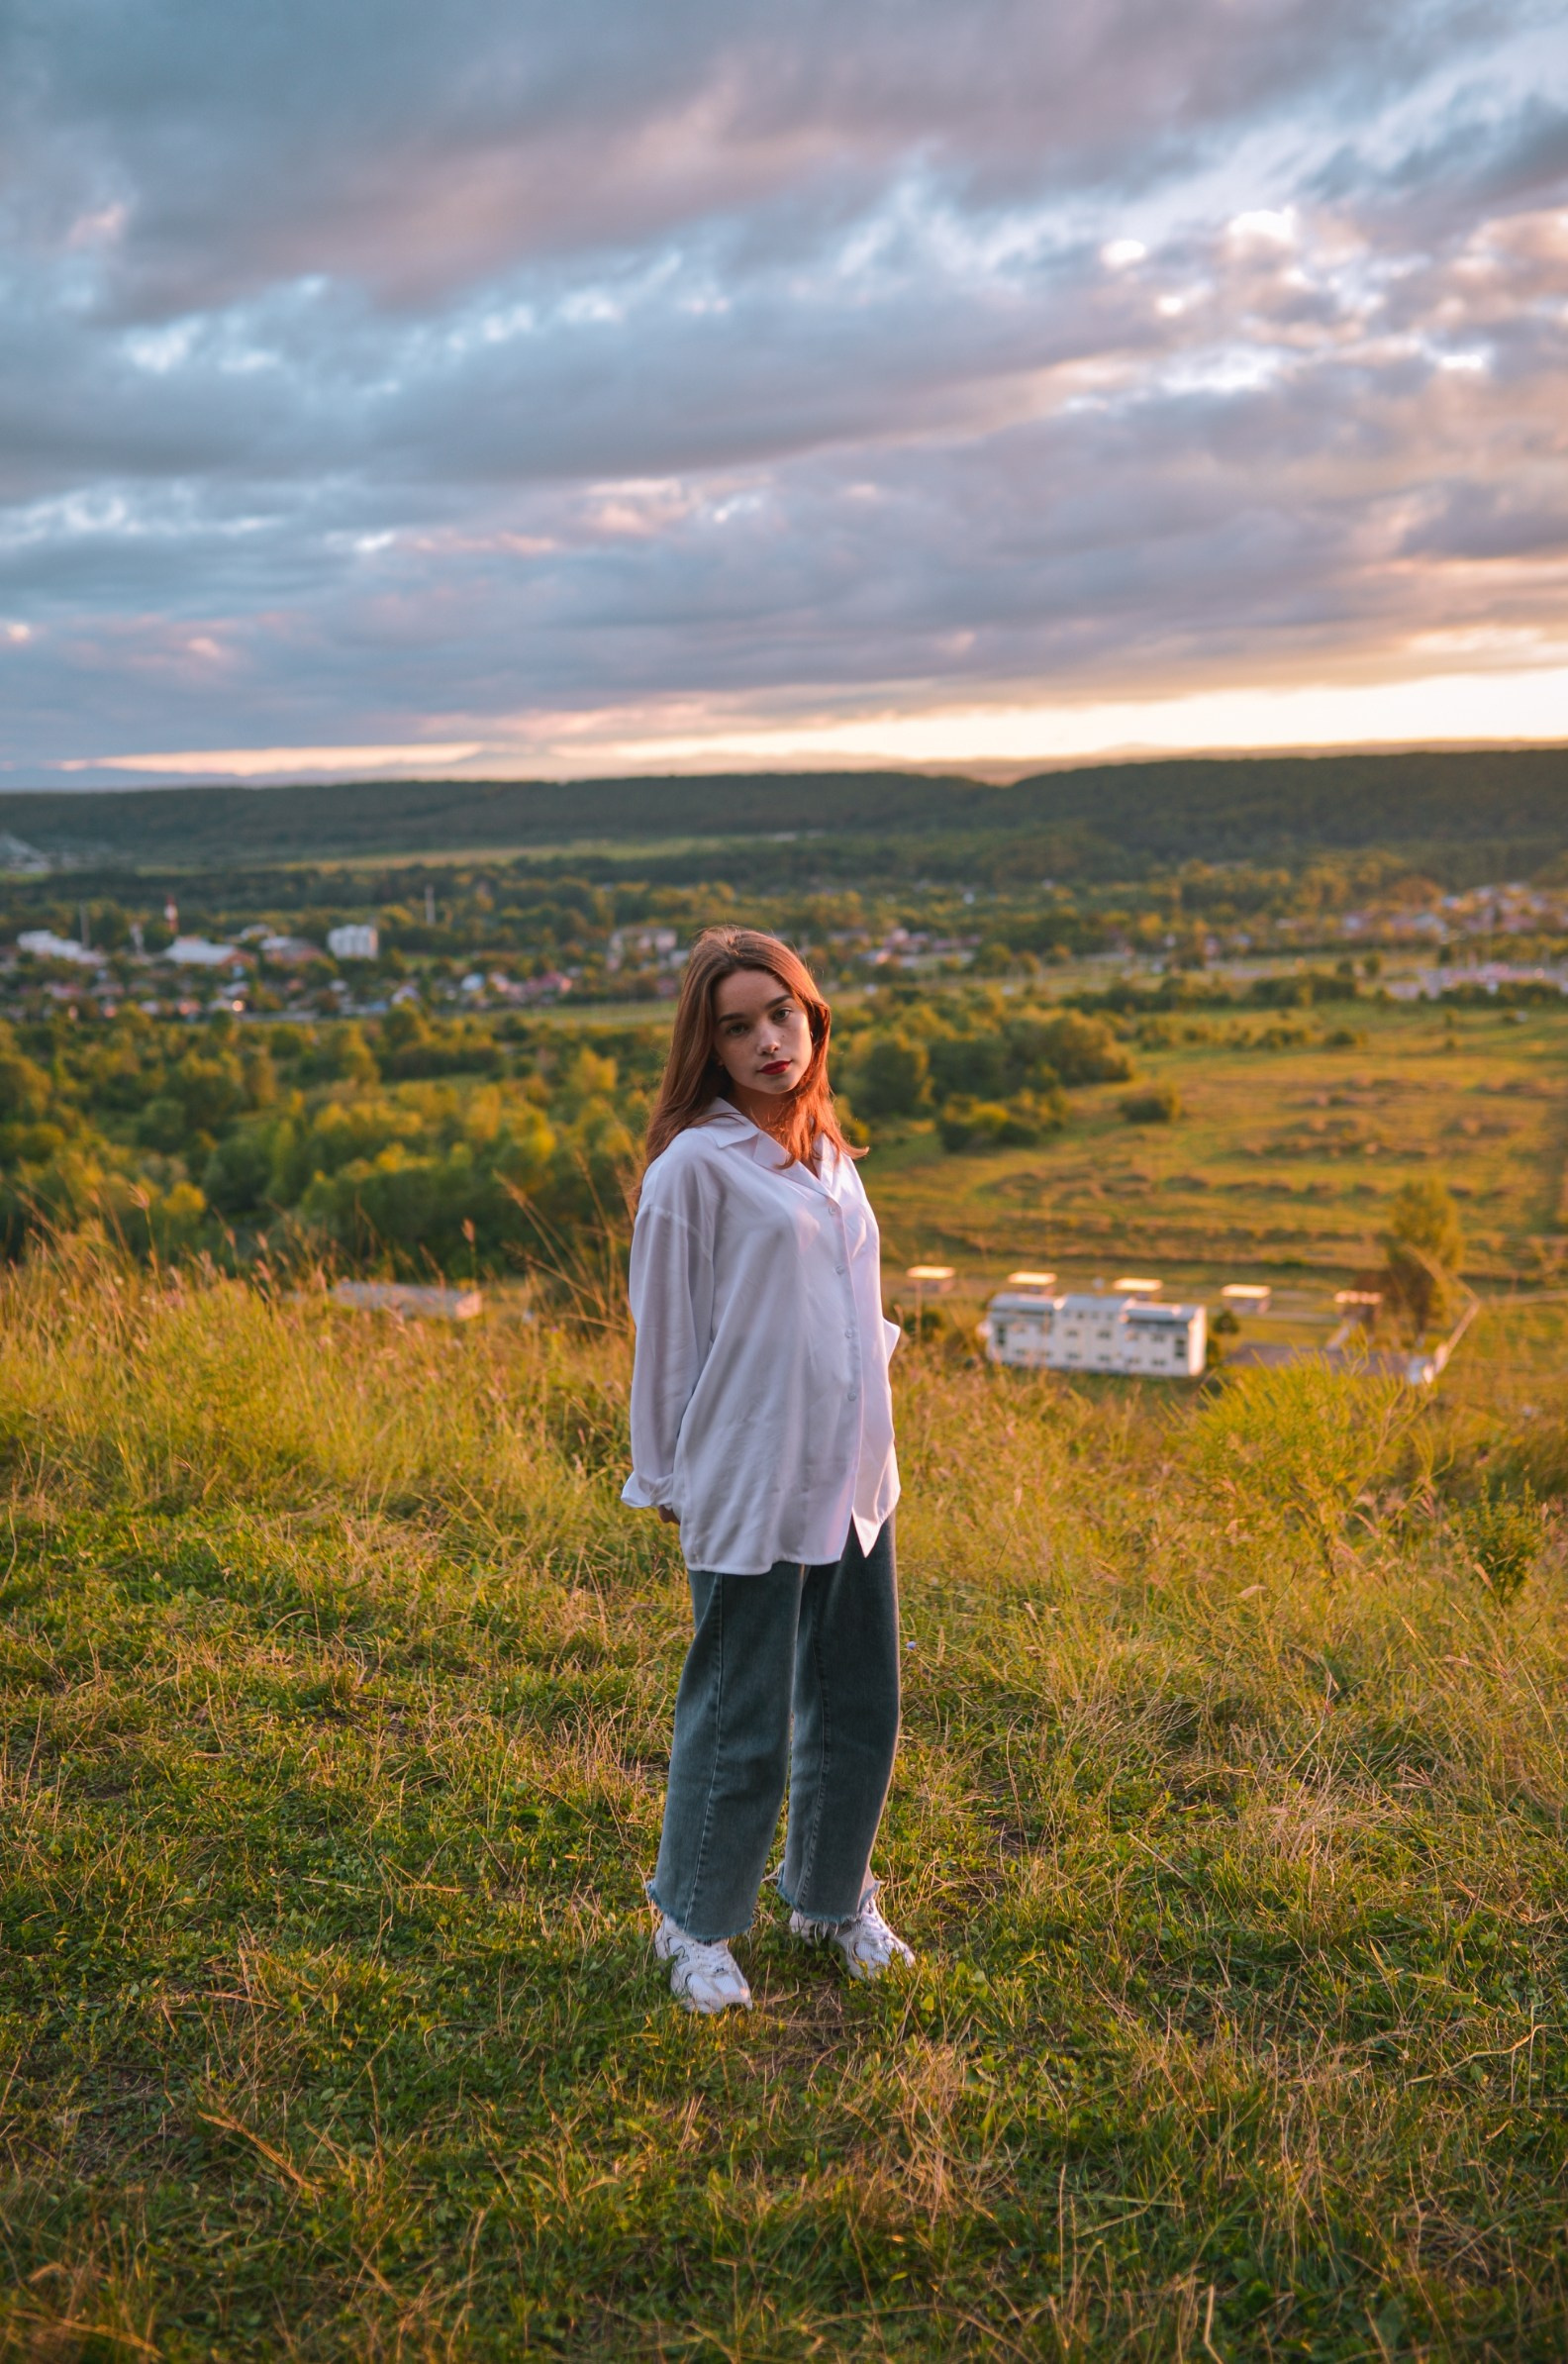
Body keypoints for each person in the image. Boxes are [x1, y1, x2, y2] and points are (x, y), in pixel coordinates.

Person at [622, 925, 915, 2015]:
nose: (766, 1040)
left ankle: (831, 1898)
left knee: (859, 1701)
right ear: (708, 1044)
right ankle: (693, 1923)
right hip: (748, 1471)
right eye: (736, 1025)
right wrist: (665, 1478)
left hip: (851, 1473)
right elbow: (668, 1337)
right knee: (740, 1711)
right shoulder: (694, 1169)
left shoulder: (831, 1154)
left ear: (812, 1016)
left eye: (780, 1014)